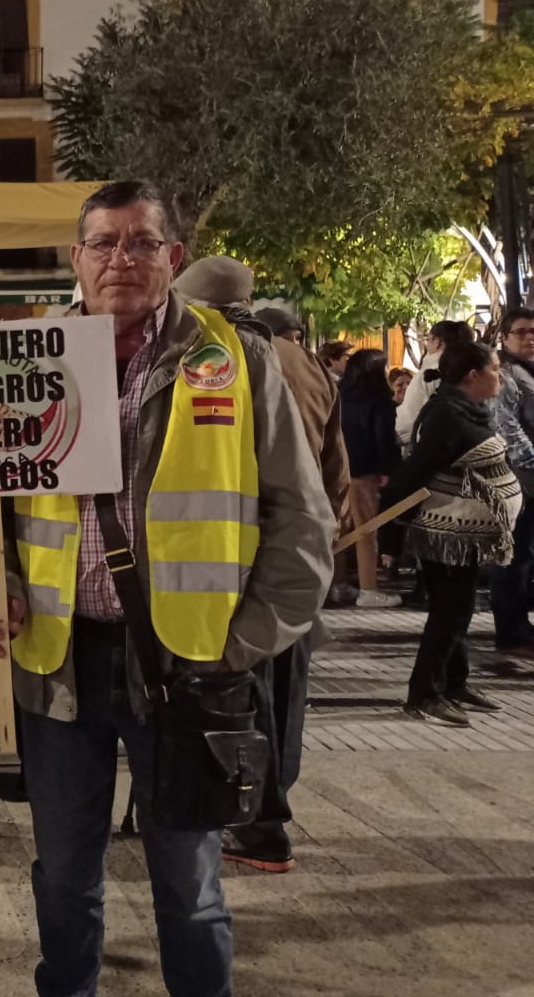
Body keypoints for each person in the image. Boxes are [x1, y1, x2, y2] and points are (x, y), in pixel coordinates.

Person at [0, 182, 334, 995]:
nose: (120, 259)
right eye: (103, 243)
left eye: (140, 242)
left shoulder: (236, 360)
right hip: (58, 663)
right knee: (62, 879)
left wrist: (241, 644)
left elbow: (303, 521)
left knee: (190, 888)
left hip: (188, 668)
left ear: (174, 257)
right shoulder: (26, 362)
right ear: (76, 257)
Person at [176, 256, 348, 874]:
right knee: (286, 692)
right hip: (295, 561)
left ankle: (256, 821)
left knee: (240, 698)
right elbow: (333, 471)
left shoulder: (207, 357)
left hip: (221, 569)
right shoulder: (305, 362)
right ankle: (271, 811)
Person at [385, 341, 522, 727]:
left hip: (467, 534)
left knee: (458, 611)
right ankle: (424, 694)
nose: (501, 376)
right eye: (495, 369)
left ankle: (454, 683)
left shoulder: (467, 409)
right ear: (471, 376)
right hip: (445, 534)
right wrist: (390, 538)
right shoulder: (446, 414)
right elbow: (414, 473)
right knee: (450, 613)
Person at [340, 348, 403, 610]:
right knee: (366, 530)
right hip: (365, 471)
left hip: (340, 469)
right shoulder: (379, 400)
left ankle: (337, 583)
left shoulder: (339, 395)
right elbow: (384, 438)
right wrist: (390, 469)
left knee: (340, 527)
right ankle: (368, 589)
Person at [491, 308, 534, 657]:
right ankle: (512, 631)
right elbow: (506, 427)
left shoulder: (527, 372)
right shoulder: (505, 375)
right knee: (515, 554)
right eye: (521, 332)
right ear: (504, 338)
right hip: (520, 479)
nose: (529, 337)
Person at [397, 320, 474, 447]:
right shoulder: (457, 368)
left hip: (413, 440)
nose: (426, 344)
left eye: (428, 339)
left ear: (437, 342)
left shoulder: (436, 370)